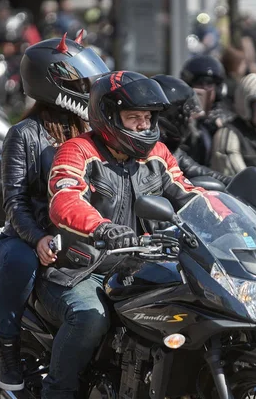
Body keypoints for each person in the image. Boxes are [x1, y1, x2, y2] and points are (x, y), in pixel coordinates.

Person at [38, 71, 203, 399]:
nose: (144, 126)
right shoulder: (79, 151)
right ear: (109, 117)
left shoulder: (157, 154)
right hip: (83, 270)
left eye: (147, 117)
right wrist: (101, 226)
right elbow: (64, 198)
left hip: (143, 268)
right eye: (134, 118)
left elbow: (188, 193)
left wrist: (227, 219)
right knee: (91, 319)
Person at [0, 34, 109, 391]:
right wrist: (39, 237)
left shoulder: (94, 132)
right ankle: (6, 344)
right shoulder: (24, 134)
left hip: (81, 239)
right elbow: (14, 203)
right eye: (79, 83)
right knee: (22, 261)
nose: (87, 88)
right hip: (28, 237)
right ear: (51, 81)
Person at [151, 74, 232, 186]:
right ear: (172, 114)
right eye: (185, 115)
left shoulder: (170, 147)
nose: (190, 120)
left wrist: (233, 182)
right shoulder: (149, 148)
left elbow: (197, 170)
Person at [180, 55, 235, 165]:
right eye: (199, 83)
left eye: (209, 83)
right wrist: (188, 124)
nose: (204, 88)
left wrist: (219, 127)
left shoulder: (226, 116)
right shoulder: (178, 114)